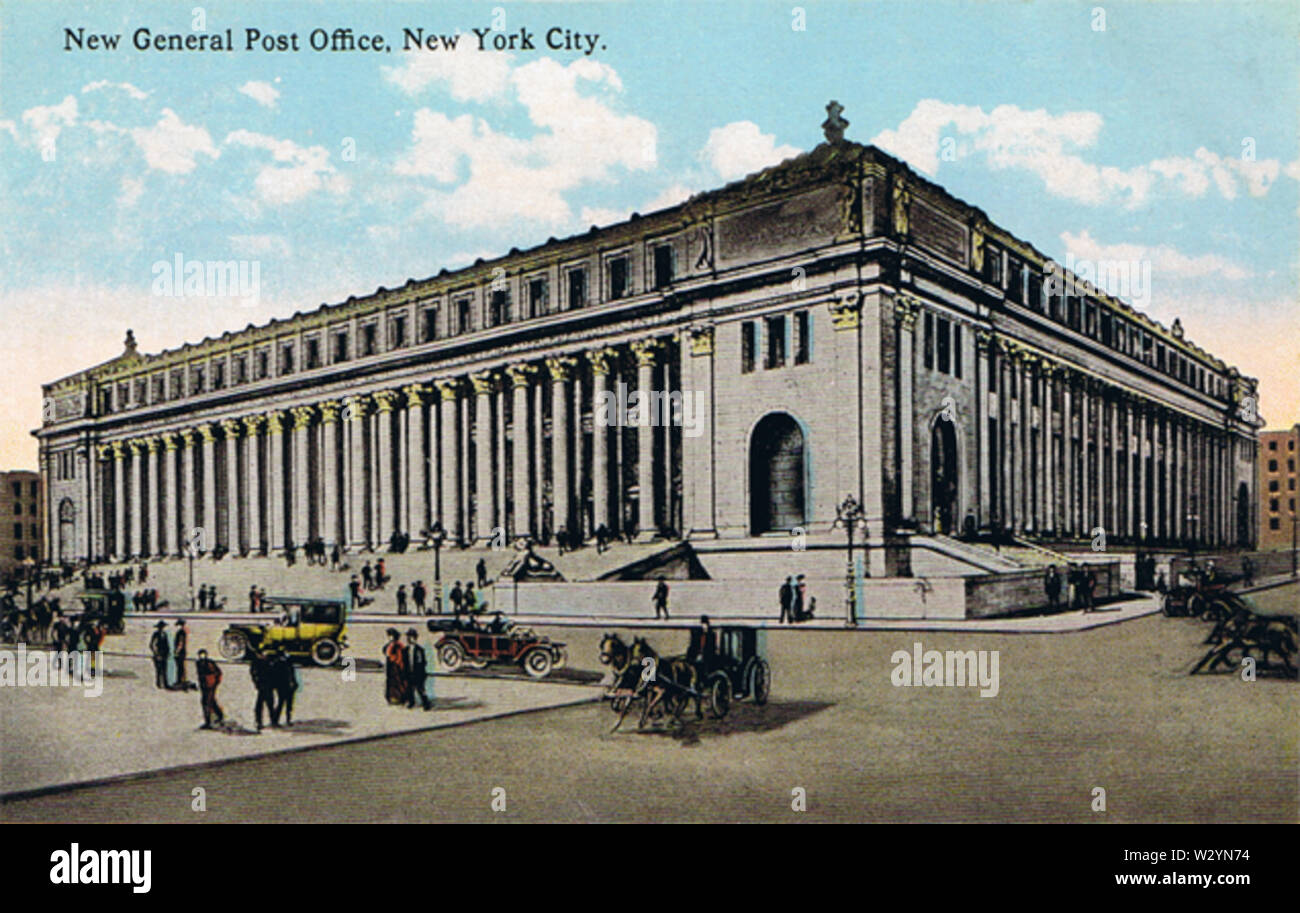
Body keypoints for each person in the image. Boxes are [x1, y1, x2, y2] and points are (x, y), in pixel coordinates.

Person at [249, 649, 279, 731]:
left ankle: (272, 721)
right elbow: (253, 674)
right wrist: (257, 683)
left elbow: (275, 673)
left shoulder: (270, 661)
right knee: (260, 705)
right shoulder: (257, 662)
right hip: (262, 686)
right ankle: (259, 722)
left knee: (270, 704)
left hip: (269, 685)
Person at [404, 628, 433, 710]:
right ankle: (411, 702)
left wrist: (421, 673)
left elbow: (423, 662)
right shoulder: (406, 649)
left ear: (415, 638)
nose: (409, 639)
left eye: (411, 637)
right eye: (408, 637)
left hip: (418, 673)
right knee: (409, 689)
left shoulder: (419, 650)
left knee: (420, 689)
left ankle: (426, 704)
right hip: (409, 672)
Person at [269, 649, 299, 726]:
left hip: (287, 685)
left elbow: (292, 674)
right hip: (283, 686)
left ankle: (285, 719)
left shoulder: (286, 662)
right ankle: (279, 720)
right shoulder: (279, 663)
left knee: (286, 703)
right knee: (283, 703)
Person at [196, 649, 224, 729]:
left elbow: (218, 673)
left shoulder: (209, 663)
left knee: (206, 702)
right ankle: (219, 715)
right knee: (210, 701)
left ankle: (208, 722)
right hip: (204, 685)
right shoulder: (198, 663)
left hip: (210, 685)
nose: (202, 657)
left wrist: (215, 683)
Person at [383, 628, 408, 705]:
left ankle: (399, 698)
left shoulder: (399, 646)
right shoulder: (390, 645)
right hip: (391, 666)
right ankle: (392, 698)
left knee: (399, 682)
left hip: (397, 666)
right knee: (391, 683)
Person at [149, 620, 170, 689]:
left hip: (164, 654)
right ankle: (158, 683)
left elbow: (167, 644)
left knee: (165, 669)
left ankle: (165, 683)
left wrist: (168, 652)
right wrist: (155, 653)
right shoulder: (155, 634)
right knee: (158, 670)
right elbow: (152, 644)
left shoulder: (165, 634)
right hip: (158, 653)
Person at [173, 619, 190, 689]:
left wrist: (177, 651)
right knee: (182, 666)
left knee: (180, 666)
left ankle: (180, 680)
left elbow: (180, 642)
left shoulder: (181, 632)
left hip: (181, 652)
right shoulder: (186, 631)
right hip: (184, 651)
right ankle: (183, 680)